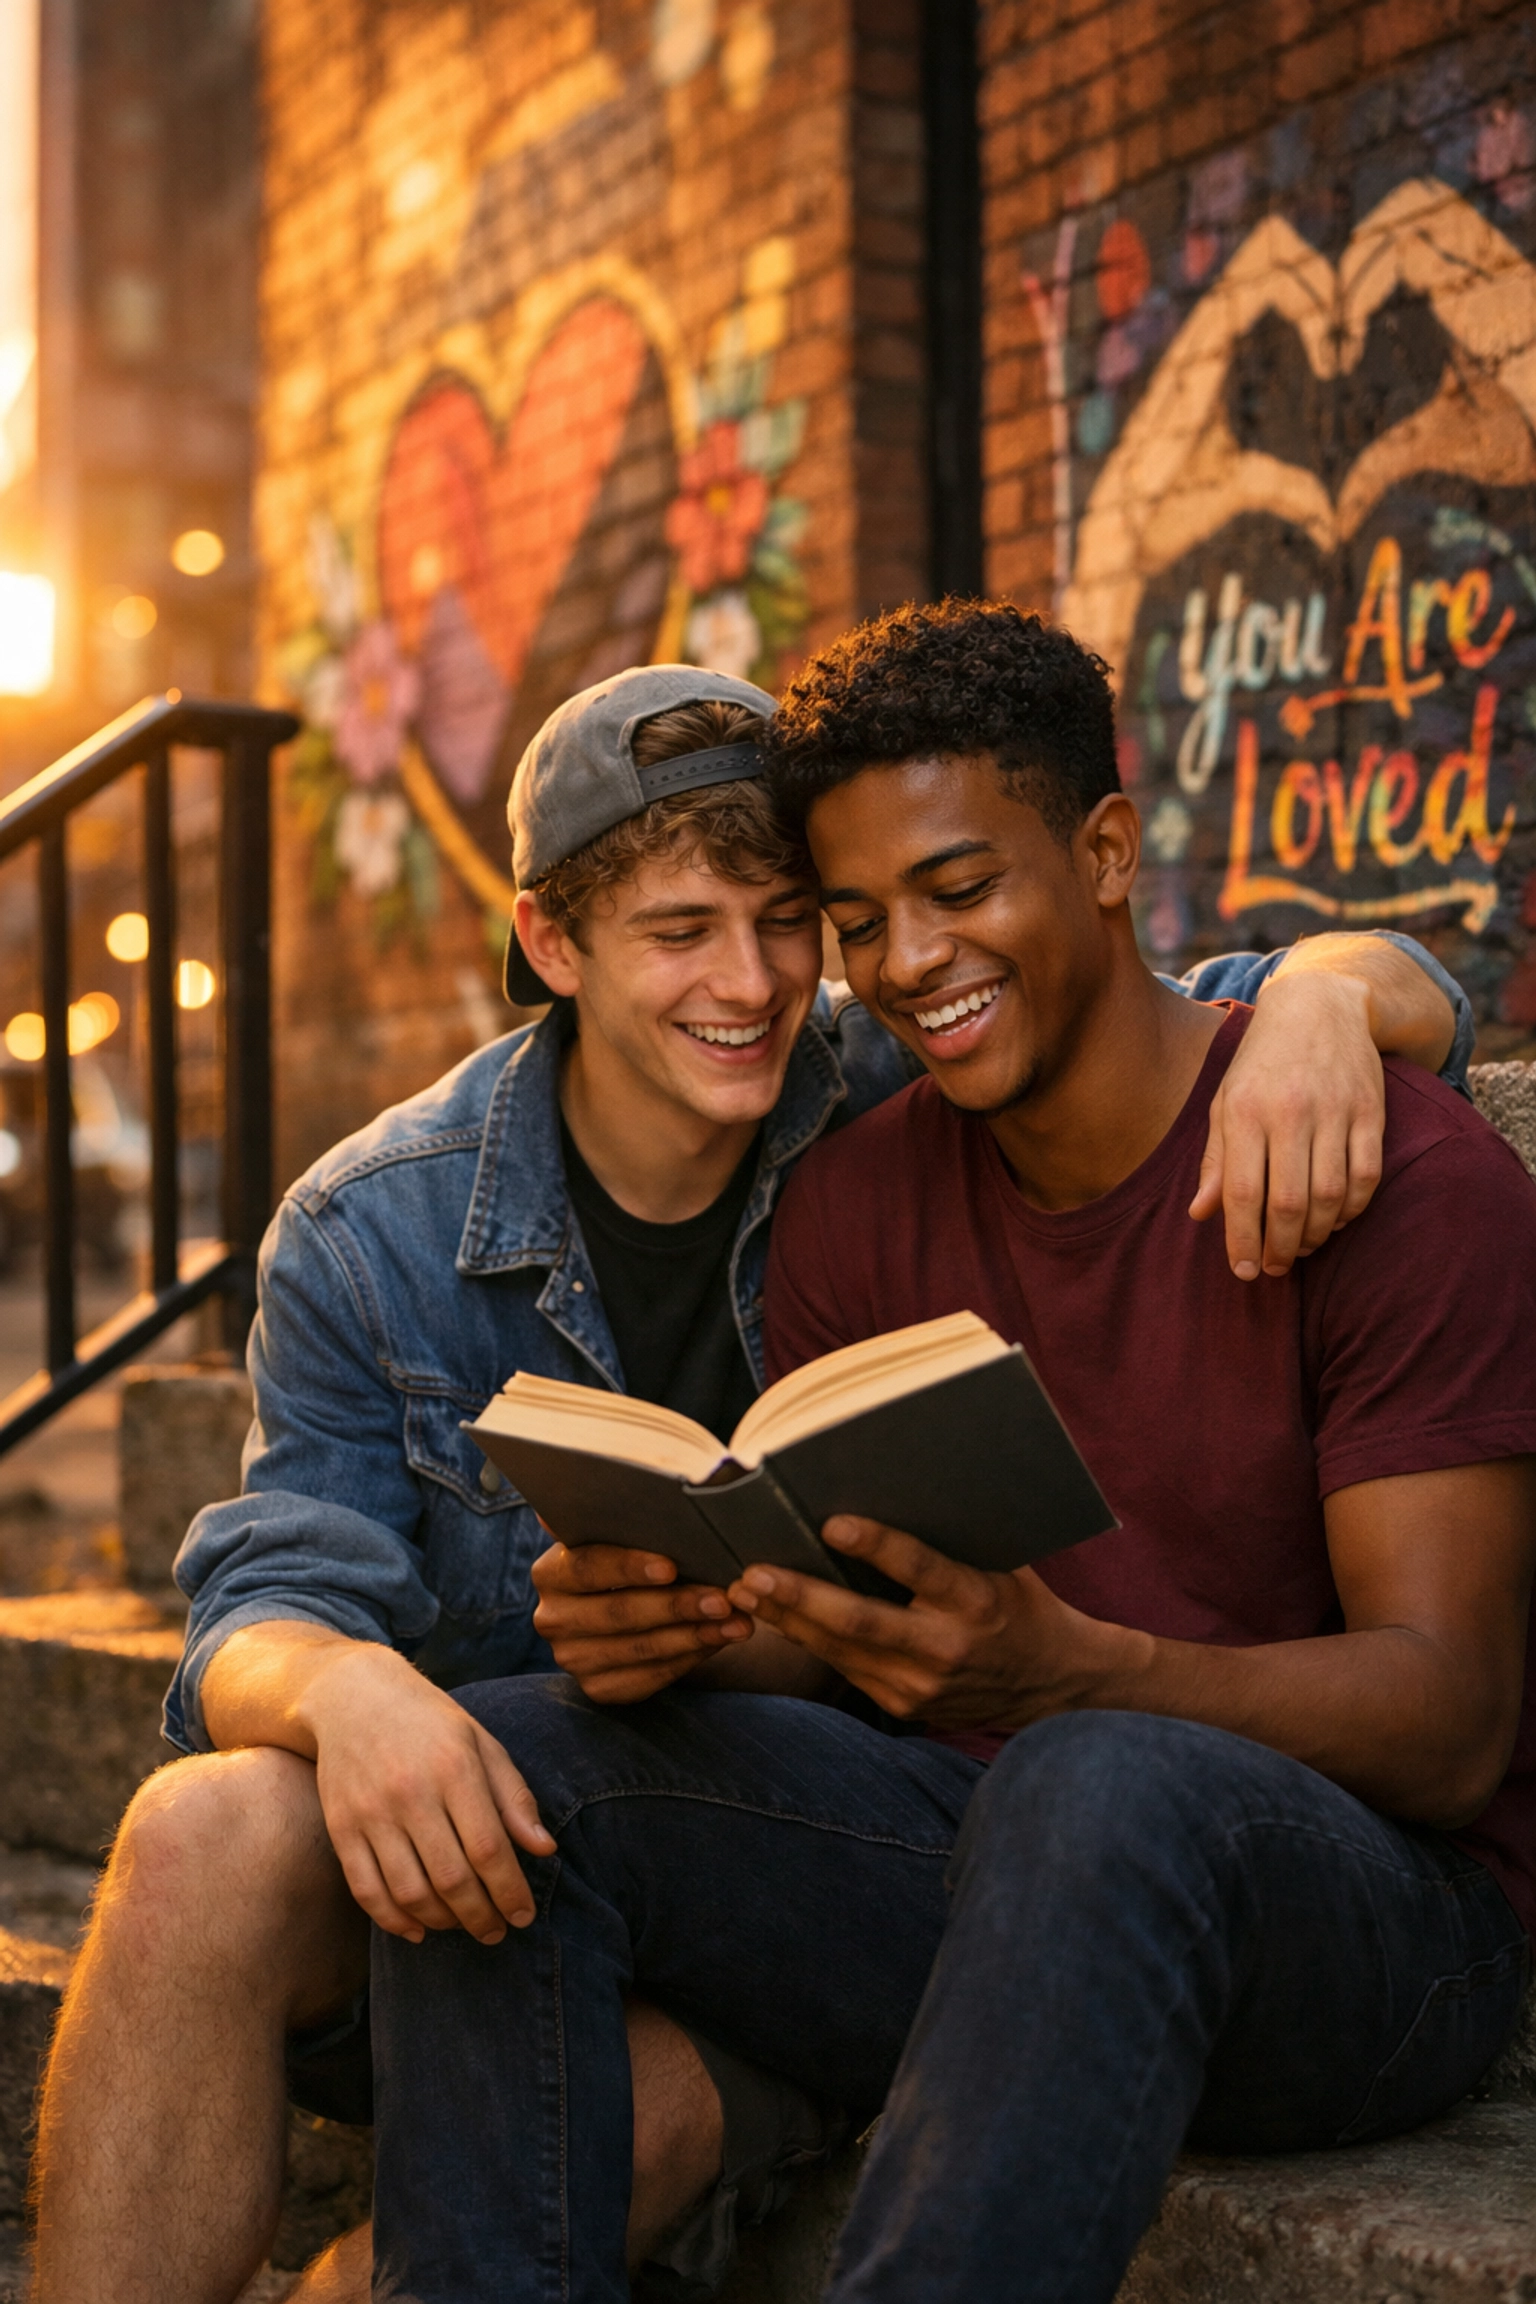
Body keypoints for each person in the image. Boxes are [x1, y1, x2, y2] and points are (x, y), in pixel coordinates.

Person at [26, 661, 1468, 2304]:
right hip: (486, 1875)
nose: (757, 981)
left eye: (791, 919)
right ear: (553, 947)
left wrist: (1326, 1002)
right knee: (207, 1827)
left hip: (821, 1871)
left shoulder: (891, 1070)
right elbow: (267, 1596)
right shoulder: (377, 1235)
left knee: (531, 2180)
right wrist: (354, 1693)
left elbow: (1157, 991)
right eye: (682, 930)